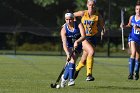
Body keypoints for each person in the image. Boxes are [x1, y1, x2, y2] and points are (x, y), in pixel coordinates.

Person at [73, 0, 105, 81]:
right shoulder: (83, 13)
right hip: (83, 37)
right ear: (87, 5)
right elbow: (71, 16)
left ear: (95, 6)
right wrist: (75, 24)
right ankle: (89, 75)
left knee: (83, 60)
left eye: (93, 5)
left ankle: (76, 69)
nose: (91, 6)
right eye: (90, 5)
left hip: (93, 38)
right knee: (91, 52)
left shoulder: (98, 16)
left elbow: (102, 27)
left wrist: (102, 32)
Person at [60, 11, 86, 87]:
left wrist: (77, 41)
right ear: (65, 20)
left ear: (73, 19)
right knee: (72, 58)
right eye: (67, 19)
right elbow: (64, 43)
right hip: (69, 45)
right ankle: (71, 80)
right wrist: (67, 53)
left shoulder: (78, 24)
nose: (69, 21)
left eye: (70, 19)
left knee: (71, 62)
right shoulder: (63, 30)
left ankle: (64, 78)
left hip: (78, 44)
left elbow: (83, 36)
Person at [120, 0, 140, 80]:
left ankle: (136, 72)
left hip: (139, 40)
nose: (138, 11)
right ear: (135, 10)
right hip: (132, 38)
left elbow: (137, 28)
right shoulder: (132, 17)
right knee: (133, 52)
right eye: (137, 9)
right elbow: (129, 25)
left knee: (138, 58)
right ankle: (130, 74)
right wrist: (124, 26)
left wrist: (138, 28)